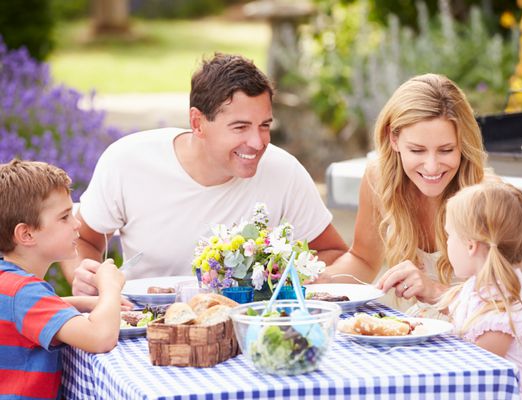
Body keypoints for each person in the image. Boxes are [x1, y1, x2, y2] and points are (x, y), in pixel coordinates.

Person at [63, 53, 348, 296]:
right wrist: (87, 276)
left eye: (264, 125)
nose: (258, 142)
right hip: (148, 327)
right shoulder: (127, 161)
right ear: (198, 123)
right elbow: (83, 239)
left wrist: (298, 279)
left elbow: (333, 252)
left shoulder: (283, 171)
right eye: (240, 127)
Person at [318, 73, 487, 311]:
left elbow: (504, 305)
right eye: (417, 150)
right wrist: (322, 281)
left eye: (446, 150)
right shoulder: (380, 178)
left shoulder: (486, 196)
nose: (432, 166)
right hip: (423, 329)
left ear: (463, 144)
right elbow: (363, 260)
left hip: (485, 334)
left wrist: (434, 291)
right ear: (393, 138)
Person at [0, 159, 126, 399]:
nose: (77, 224)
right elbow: (100, 338)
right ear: (26, 234)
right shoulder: (24, 292)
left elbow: (23, 312)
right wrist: (109, 287)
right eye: (65, 217)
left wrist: (83, 303)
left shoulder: (10, 283)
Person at [436, 181, 522, 400]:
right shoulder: (482, 285)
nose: (446, 243)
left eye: (449, 235)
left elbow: (474, 376)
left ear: (471, 246)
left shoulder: (503, 311)